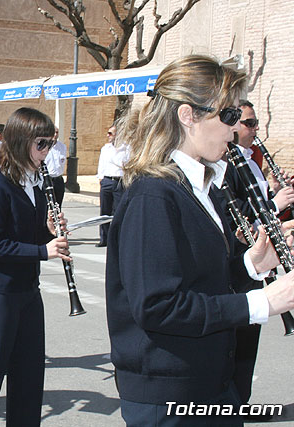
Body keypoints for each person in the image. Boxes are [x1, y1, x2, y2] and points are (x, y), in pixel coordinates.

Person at [106, 54, 294, 426]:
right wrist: (262, 303)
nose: (234, 128)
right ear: (187, 115)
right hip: (170, 395)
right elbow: (158, 306)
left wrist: (251, 265)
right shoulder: (154, 194)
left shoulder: (202, 186)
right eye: (226, 116)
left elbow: (198, 279)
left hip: (206, 381)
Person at [0, 107, 71, 427]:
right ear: (21, 142)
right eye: (41, 144)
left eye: (51, 143)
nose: (47, 152)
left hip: (25, 291)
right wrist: (42, 250)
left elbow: (24, 233)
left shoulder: (34, 180)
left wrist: (49, 230)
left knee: (29, 378)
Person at [219, 99, 294, 418]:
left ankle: (241, 403)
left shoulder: (250, 159)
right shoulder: (229, 162)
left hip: (256, 260)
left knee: (249, 340)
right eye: (248, 122)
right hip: (240, 259)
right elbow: (235, 214)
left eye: (254, 122)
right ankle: (232, 406)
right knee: (238, 340)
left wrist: (274, 191)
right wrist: (274, 204)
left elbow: (255, 205)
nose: (254, 128)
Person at [96, 124, 128, 247]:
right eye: (108, 133)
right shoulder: (105, 149)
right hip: (107, 181)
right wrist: (101, 179)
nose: (108, 136)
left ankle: (117, 238)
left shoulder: (127, 149)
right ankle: (104, 238)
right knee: (104, 211)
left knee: (118, 211)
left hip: (119, 181)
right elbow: (101, 164)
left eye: (110, 133)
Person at [44, 127, 67, 207]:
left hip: (58, 180)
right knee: (47, 205)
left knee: (58, 205)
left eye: (56, 132)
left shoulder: (62, 147)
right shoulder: (44, 147)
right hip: (47, 180)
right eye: (53, 132)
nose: (55, 134)